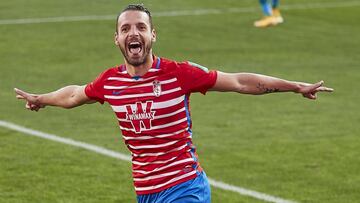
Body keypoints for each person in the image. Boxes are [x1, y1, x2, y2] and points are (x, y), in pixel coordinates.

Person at [14, 4, 333, 203]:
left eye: (140, 27)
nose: (133, 33)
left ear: (153, 35)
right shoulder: (110, 82)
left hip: (185, 187)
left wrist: (294, 86)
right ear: (116, 39)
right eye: (125, 28)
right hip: (146, 193)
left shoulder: (179, 74)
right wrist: (41, 99)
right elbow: (74, 95)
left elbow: (239, 82)